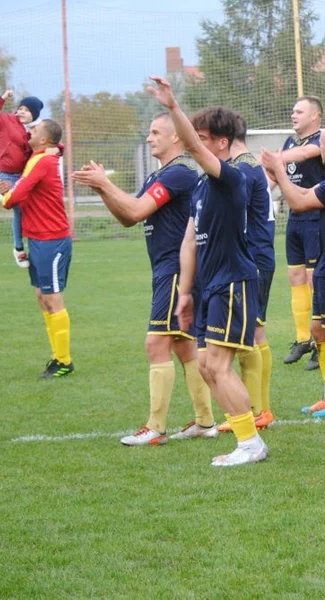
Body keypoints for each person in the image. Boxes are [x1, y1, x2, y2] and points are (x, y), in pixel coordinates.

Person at [72, 112, 217, 444]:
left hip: (176, 268)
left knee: (156, 343)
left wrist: (105, 183)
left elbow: (136, 210)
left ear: (175, 138)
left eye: (155, 132)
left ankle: (155, 428)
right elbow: (128, 217)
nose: (149, 138)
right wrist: (102, 190)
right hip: (166, 267)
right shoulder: (159, 174)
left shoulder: (180, 172)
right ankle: (206, 422)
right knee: (183, 345)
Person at [146, 77, 266, 467]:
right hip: (210, 287)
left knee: (217, 364)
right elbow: (188, 242)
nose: (192, 143)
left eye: (200, 138)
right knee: (205, 365)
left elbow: (193, 147)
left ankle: (250, 443)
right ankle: (247, 438)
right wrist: (184, 294)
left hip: (234, 281)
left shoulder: (232, 179)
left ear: (221, 143)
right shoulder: (201, 188)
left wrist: (172, 107)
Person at [263, 126, 325, 418]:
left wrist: (279, 169)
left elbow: (298, 203)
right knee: (319, 329)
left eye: (320, 144)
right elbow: (307, 192)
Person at [0, 119, 74, 379]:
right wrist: (10, 189)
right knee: (42, 297)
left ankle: (64, 361)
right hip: (38, 239)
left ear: (44, 140)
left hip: (53, 240)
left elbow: (17, 196)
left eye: (35, 130)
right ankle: (57, 356)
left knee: (53, 297)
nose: (29, 131)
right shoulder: (40, 155)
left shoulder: (43, 161)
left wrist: (7, 196)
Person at [221, 120, 277, 429]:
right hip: (260, 256)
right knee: (255, 333)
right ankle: (262, 409)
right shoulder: (250, 165)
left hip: (252, 258)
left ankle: (255, 410)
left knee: (248, 338)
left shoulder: (242, 169)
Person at [277, 96, 325, 369]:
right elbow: (277, 172)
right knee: (295, 276)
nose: (293, 115)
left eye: (299, 111)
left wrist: (276, 158)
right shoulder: (289, 143)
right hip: (294, 217)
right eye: (292, 110)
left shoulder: (322, 139)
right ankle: (302, 339)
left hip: (317, 217)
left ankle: (321, 340)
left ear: (315, 116)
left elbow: (307, 155)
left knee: (313, 278)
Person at [0, 89, 42, 268]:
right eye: (20, 108)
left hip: (27, 175)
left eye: (26, 109)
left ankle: (37, 245)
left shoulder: (38, 129)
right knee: (18, 209)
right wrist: (1, 98)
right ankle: (18, 248)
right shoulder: (7, 121)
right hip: (8, 175)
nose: (21, 112)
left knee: (31, 210)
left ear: (34, 114)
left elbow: (53, 142)